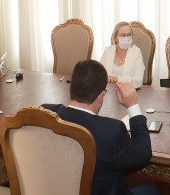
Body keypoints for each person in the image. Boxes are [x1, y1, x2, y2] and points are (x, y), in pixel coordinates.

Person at [42, 60, 157, 195]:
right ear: (101, 96)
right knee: (151, 190)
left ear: (71, 87)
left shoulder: (45, 113)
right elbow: (142, 154)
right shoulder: (111, 131)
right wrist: (132, 105)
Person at [100, 22, 145, 88]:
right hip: (107, 92)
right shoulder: (108, 50)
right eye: (123, 35)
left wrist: (117, 79)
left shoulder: (136, 52)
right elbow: (99, 76)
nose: (126, 38)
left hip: (129, 93)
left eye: (129, 35)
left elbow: (138, 81)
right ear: (115, 37)